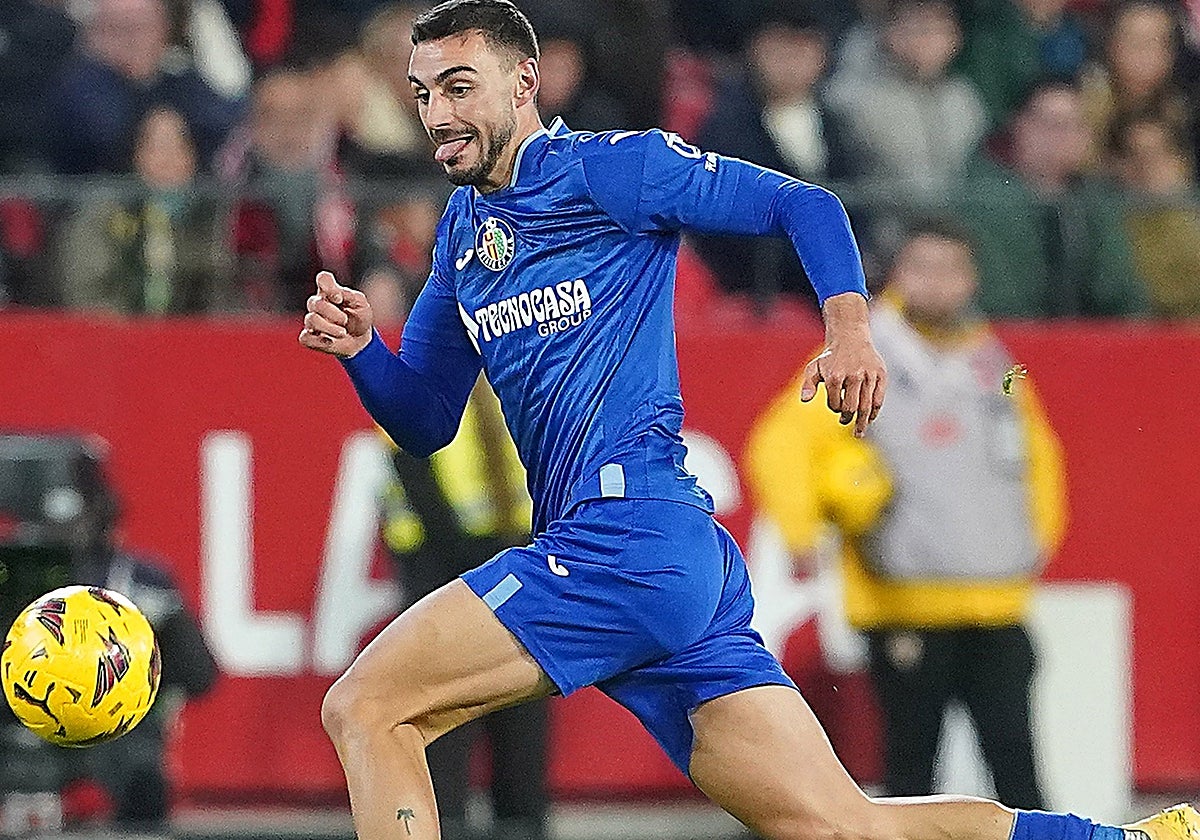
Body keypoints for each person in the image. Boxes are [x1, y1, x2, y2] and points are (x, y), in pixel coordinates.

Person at [298, 3, 1194, 840]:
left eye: (460, 87)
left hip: (625, 539)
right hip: (653, 561)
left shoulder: (611, 169)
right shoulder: (464, 234)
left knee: (367, 707)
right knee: (843, 826)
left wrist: (851, 332)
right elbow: (425, 418)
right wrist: (364, 354)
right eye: (422, 93)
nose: (437, 113)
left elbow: (804, 204)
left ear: (524, 81)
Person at [745, 219, 1067, 810]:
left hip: (997, 603)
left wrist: (1036, 538)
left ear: (972, 279)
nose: (937, 283)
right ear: (897, 274)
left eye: (951, 270)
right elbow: (783, 442)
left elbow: (1035, 451)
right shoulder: (863, 354)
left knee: (1020, 775)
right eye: (922, 268)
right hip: (904, 604)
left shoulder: (996, 363)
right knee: (912, 778)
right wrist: (812, 519)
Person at [382, 380, 547, 840]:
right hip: (441, 570)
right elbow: (418, 484)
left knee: (523, 713)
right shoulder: (414, 384)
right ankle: (446, 823)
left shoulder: (517, 385)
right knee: (444, 718)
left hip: (518, 560)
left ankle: (523, 822)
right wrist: (480, 571)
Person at [956, 78, 1149, 317]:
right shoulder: (985, 203)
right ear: (1019, 126)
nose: (1060, 136)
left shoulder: (1096, 202)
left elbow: (1121, 291)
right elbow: (999, 302)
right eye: (1049, 123)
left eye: (1072, 125)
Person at [57, 107, 233, 314]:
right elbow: (87, 291)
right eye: (157, 147)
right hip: (118, 329)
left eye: (179, 146)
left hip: (191, 331)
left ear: (193, 156)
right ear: (137, 154)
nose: (168, 159)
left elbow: (221, 293)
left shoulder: (214, 216)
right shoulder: (104, 212)